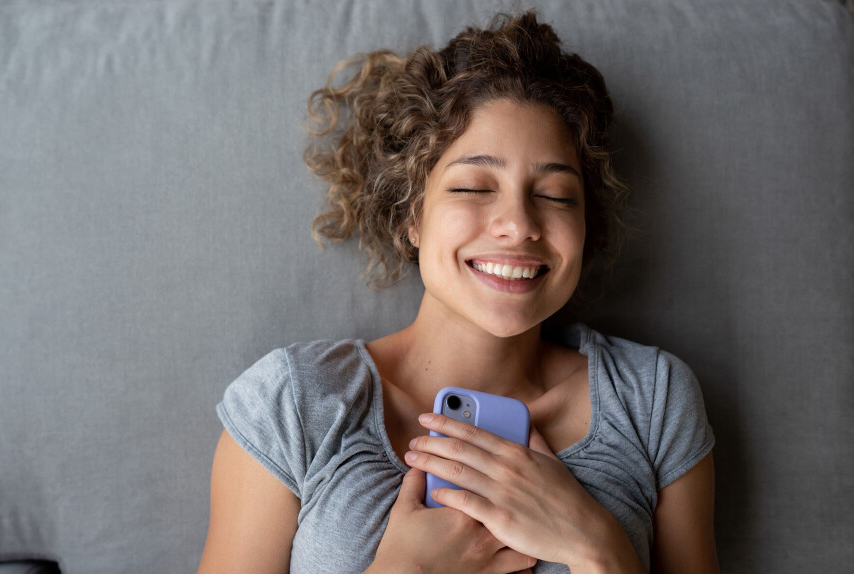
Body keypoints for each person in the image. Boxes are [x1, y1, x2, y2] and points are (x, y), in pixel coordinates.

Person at [197, 10, 717, 574]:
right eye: (473, 186)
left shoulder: (652, 401)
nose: (518, 225)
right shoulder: (294, 405)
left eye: (557, 195)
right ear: (410, 217)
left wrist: (599, 549)